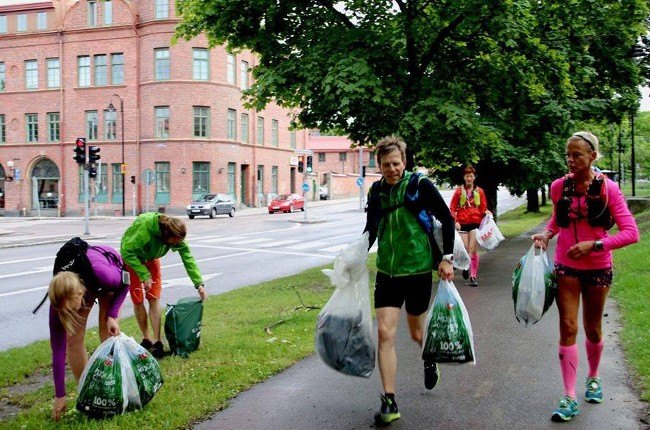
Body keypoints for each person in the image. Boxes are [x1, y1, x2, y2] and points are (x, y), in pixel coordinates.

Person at [531, 131, 639, 422]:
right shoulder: (559, 187)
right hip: (566, 266)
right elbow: (557, 218)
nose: (570, 159)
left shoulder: (608, 189)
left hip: (598, 268)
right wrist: (547, 234)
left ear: (592, 156)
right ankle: (569, 396)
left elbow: (632, 233)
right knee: (568, 327)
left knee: (592, 329)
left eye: (576, 154)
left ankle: (593, 377)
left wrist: (596, 244)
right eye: (568, 154)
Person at [364, 136, 456, 425]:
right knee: (385, 333)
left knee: (417, 334)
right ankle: (389, 401)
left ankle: (429, 358)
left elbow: (447, 219)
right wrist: (355, 257)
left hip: (417, 271)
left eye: (396, 163)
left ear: (404, 162)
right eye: (386, 165)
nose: (392, 169)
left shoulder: (420, 185)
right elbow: (371, 229)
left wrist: (447, 258)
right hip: (387, 273)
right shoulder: (376, 191)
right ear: (379, 166)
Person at [49, 244, 128, 421]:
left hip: (108, 266)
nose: (70, 313)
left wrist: (113, 315)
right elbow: (58, 349)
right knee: (73, 339)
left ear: (80, 294)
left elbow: (126, 281)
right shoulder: (58, 297)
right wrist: (60, 395)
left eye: (72, 309)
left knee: (107, 330)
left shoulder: (105, 276)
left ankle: (114, 389)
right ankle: (88, 395)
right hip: (85, 277)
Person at [120, 212, 207, 358]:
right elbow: (126, 251)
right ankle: (146, 339)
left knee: (153, 297)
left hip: (152, 258)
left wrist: (199, 284)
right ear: (166, 234)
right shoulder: (145, 228)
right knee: (137, 299)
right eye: (174, 242)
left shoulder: (176, 236)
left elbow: (188, 258)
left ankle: (157, 341)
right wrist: (144, 275)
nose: (176, 245)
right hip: (132, 259)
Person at [449, 165, 488, 287]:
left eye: (471, 176)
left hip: (475, 223)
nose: (469, 178)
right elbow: (452, 208)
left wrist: (487, 213)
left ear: (474, 177)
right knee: (465, 248)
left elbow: (483, 208)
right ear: (464, 177)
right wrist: (455, 221)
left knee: (472, 249)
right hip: (462, 224)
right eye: (467, 176)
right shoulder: (459, 191)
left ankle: (473, 276)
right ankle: (465, 266)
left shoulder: (480, 192)